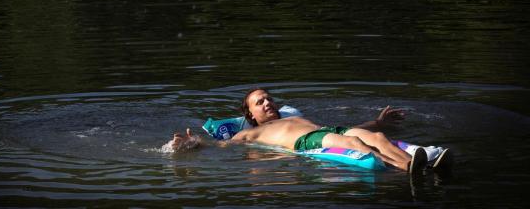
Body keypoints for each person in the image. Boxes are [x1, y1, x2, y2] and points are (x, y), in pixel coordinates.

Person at [171, 87, 431, 174]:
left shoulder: (293, 116)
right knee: (355, 142)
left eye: (269, 98)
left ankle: (418, 164)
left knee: (377, 138)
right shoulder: (248, 133)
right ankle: (407, 169)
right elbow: (221, 147)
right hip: (307, 140)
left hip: (325, 130)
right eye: (259, 102)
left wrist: (377, 123)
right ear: (250, 114)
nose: (267, 103)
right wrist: (192, 143)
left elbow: (339, 132)